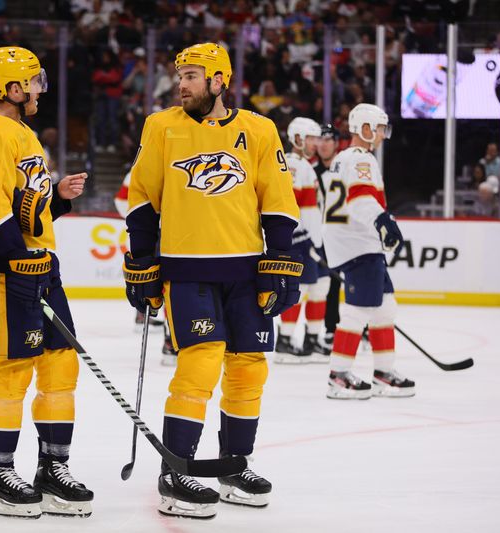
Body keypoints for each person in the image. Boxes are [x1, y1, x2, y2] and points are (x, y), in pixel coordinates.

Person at [124, 43, 302, 519]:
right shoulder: (162, 127)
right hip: (187, 270)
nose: (181, 84)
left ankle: (232, 465)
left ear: (219, 80)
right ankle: (175, 471)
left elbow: (278, 199)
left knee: (249, 369)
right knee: (199, 366)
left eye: (192, 76)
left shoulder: (259, 129)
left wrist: (279, 259)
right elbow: (142, 198)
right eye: (180, 75)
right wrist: (142, 260)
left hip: (245, 271)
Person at [0, 46, 94, 519]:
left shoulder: (20, 133)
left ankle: (53, 468)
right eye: (34, 82)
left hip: (37, 267)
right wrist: (18, 261)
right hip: (5, 270)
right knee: (12, 366)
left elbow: (23, 211)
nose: (39, 90)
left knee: (59, 365)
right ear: (13, 89)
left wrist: (55, 197)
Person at [321, 103, 415, 400]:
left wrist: (381, 224)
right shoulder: (362, 159)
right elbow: (361, 200)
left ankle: (383, 372)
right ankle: (338, 376)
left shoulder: (342, 158)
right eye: (380, 128)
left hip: (355, 243)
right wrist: (383, 222)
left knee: (385, 307)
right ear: (365, 128)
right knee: (357, 311)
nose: (383, 135)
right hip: (358, 244)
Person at [274, 117, 331, 362]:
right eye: (311, 138)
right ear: (297, 138)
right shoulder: (293, 165)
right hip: (301, 240)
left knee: (321, 286)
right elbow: (291, 206)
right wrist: (306, 237)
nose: (315, 143)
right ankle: (285, 341)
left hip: (314, 239)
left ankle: (312, 338)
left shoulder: (306, 165)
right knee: (302, 288)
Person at [114, 170, 173, 363]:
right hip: (159, 232)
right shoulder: (141, 168)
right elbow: (123, 200)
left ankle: (167, 334)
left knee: (170, 283)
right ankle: (168, 338)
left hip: (176, 231)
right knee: (156, 278)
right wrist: (143, 220)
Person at [313, 123, 342, 350]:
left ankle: (361, 327)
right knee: (329, 283)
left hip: (345, 235)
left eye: (328, 139)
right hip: (323, 237)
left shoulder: (345, 169)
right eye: (320, 139)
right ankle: (331, 328)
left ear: (336, 144)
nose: (323, 144)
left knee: (352, 281)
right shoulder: (311, 172)